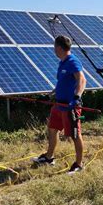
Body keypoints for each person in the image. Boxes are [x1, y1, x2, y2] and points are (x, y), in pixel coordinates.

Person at [33, 35, 86, 174]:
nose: (53, 49)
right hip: (58, 105)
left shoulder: (72, 61)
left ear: (60, 48)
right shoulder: (62, 63)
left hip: (70, 106)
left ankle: (79, 164)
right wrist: (51, 94)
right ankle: (49, 157)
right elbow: (62, 82)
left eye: (54, 46)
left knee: (75, 135)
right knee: (52, 129)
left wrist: (77, 97)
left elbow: (82, 80)